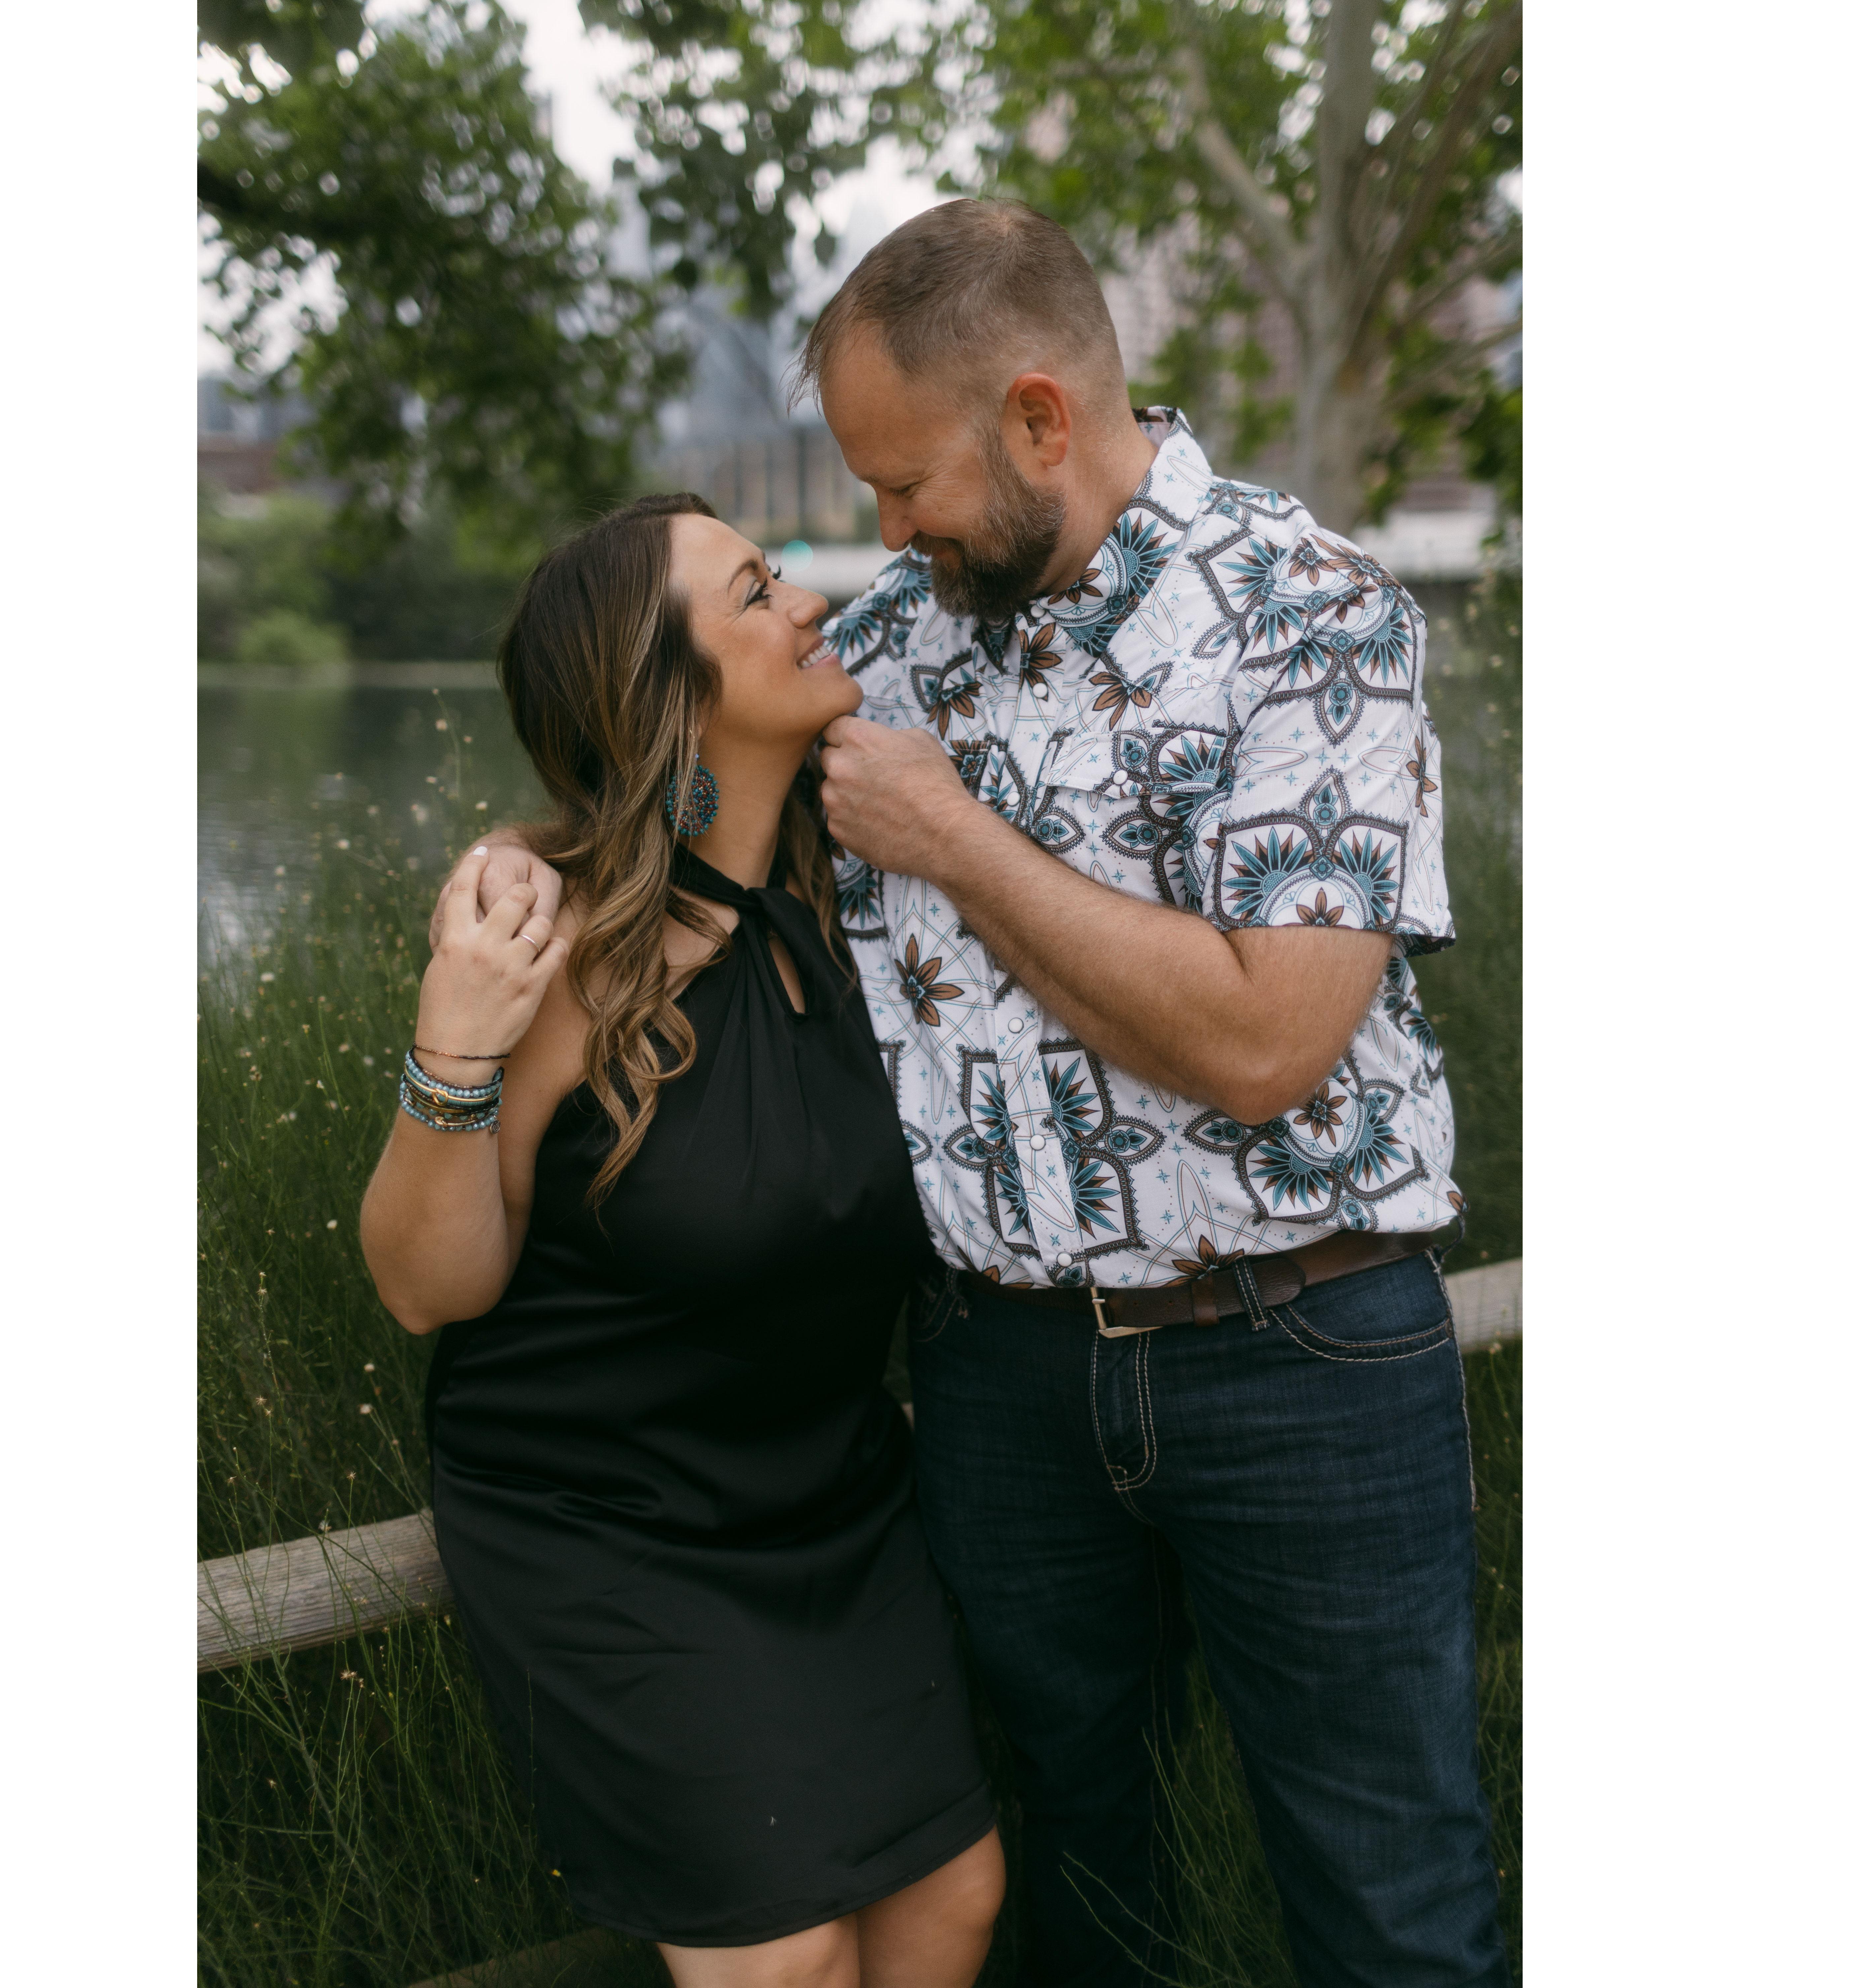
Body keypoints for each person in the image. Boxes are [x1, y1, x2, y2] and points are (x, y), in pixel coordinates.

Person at [468, 199, 1507, 1988]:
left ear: (1040, 418)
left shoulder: (1310, 618)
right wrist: (517, 883)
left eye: (904, 481)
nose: (880, 533)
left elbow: (1272, 1046)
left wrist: (955, 837)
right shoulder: (900, 630)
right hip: (996, 1384)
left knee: (1389, 1891)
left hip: (1301, 1359)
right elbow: (676, 769)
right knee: (1082, 1889)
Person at [360, 492, 1004, 1988]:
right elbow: (423, 1287)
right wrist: (452, 1048)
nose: (809, 607)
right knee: (784, 1964)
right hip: (612, 1530)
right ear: (667, 696)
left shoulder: (851, 896)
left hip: (836, 1502)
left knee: (953, 1905)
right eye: (757, 592)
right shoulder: (551, 960)